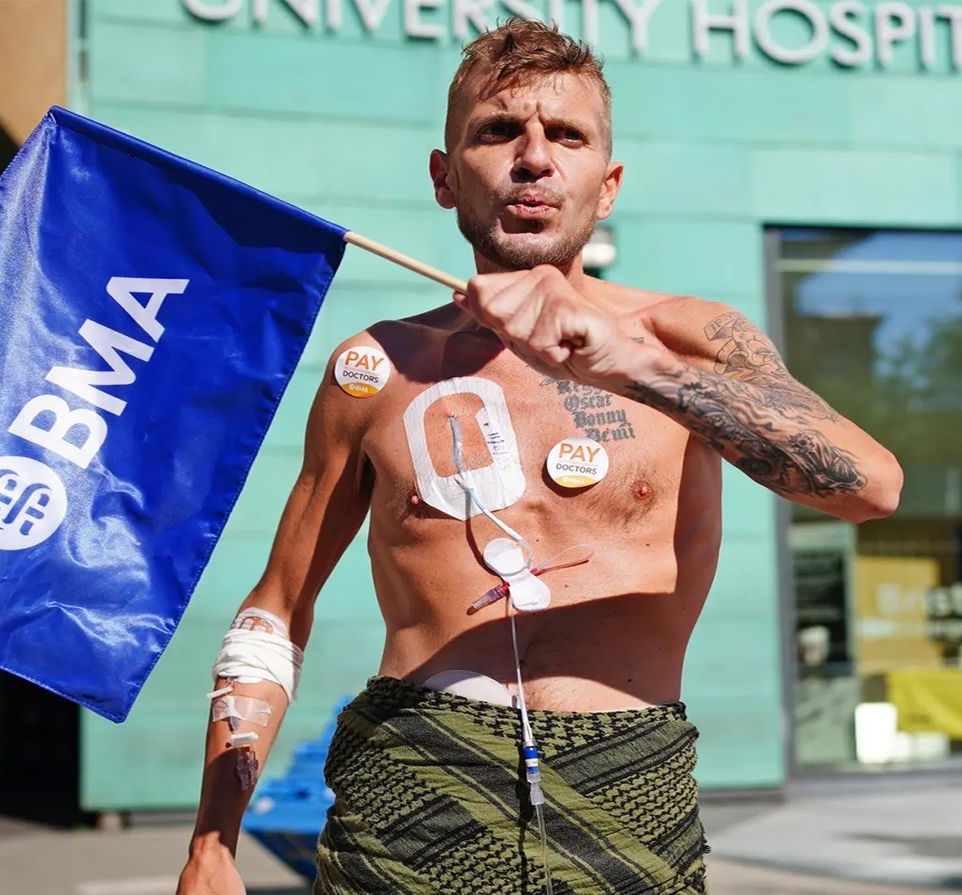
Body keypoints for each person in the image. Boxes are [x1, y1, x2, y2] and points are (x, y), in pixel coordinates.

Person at [177, 20, 901, 895]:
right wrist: (212, 841)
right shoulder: (376, 369)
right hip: (411, 792)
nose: (533, 158)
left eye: (566, 135)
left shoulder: (687, 338)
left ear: (609, 185)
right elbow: (275, 611)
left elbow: (870, 487)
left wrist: (631, 364)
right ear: (445, 176)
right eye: (498, 131)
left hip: (628, 788)